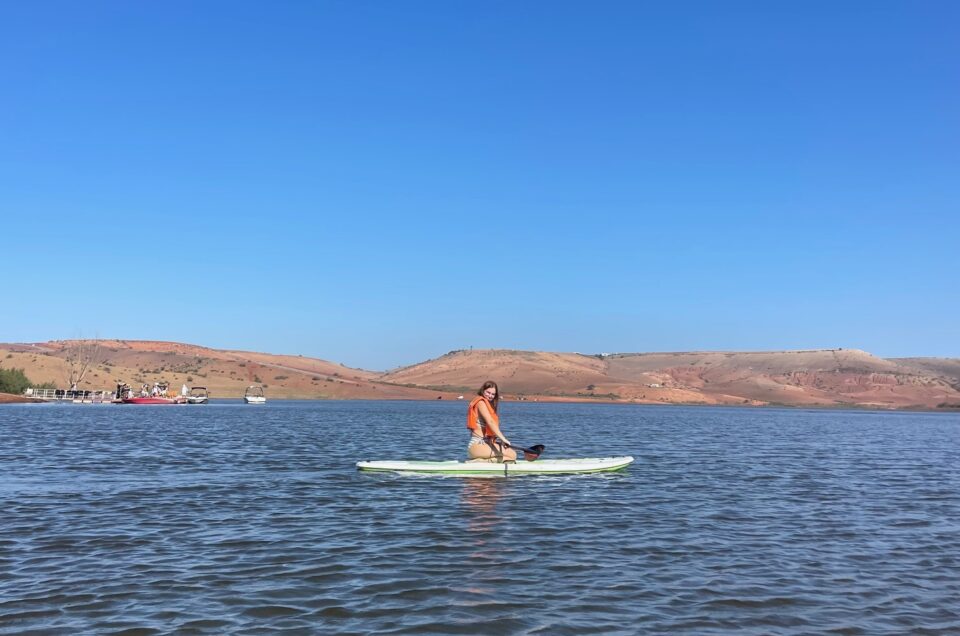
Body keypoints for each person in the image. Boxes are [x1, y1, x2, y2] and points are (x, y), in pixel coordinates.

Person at [466, 381, 517, 462]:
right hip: (478, 445)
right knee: (512, 455)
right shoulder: (481, 402)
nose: (490, 396)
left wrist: (499, 442)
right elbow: (490, 422)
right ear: (483, 391)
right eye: (488, 392)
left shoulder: (487, 405)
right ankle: (477, 461)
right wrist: (503, 439)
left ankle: (482, 460)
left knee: (510, 457)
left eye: (493, 394)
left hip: (484, 445)